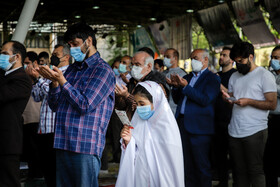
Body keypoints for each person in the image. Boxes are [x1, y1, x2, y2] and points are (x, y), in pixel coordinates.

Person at [37, 22, 115, 187]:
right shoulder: (72, 69)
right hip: (63, 141)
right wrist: (54, 83)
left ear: (88, 41)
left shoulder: (102, 70)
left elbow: (85, 105)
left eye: (75, 44)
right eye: (70, 45)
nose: (72, 48)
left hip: (84, 145)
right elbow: (55, 105)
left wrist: (62, 81)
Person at [222, 42, 277, 187]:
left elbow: (272, 104)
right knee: (239, 172)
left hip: (255, 130)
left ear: (251, 57)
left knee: (255, 170)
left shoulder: (264, 75)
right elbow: (234, 96)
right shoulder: (234, 76)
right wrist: (228, 99)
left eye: (241, 61)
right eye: (235, 62)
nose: (238, 65)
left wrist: (249, 102)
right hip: (234, 130)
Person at [116, 81, 184, 187]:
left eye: (142, 104)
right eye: (137, 104)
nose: (139, 108)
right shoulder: (137, 120)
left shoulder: (167, 126)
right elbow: (134, 149)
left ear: (155, 101)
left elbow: (170, 162)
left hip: (160, 178)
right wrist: (128, 141)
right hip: (141, 175)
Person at [171, 48, 221, 187]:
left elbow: (205, 99)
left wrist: (186, 88)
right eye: (191, 58)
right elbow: (177, 100)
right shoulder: (187, 77)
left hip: (200, 128)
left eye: (196, 58)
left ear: (205, 60)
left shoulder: (212, 78)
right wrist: (176, 87)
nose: (193, 61)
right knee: (186, 164)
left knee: (201, 165)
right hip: (182, 124)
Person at [31, 44, 71, 187]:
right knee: (47, 170)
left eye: (56, 55)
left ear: (66, 57)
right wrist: (35, 80)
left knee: (56, 171)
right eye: (52, 54)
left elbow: (54, 95)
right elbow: (37, 97)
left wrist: (40, 80)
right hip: (43, 128)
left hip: (56, 129)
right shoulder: (50, 73)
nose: (52, 57)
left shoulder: (68, 74)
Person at [0, 40, 32, 187]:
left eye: (5, 54)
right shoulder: (4, 76)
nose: (1, 57)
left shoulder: (22, 79)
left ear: (17, 57)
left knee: (9, 182)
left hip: (8, 141)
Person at [115, 51, 169, 120]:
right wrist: (119, 96)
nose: (133, 68)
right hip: (131, 125)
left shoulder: (155, 84)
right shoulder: (133, 81)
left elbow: (147, 109)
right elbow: (122, 106)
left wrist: (127, 96)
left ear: (149, 66)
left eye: (137, 65)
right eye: (132, 64)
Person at [212, 47, 236, 187]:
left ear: (232, 59)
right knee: (219, 154)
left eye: (224, 55)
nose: (221, 57)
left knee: (233, 155)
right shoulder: (217, 74)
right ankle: (222, 181)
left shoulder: (235, 75)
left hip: (230, 119)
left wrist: (218, 83)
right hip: (216, 119)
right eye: (221, 55)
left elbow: (232, 95)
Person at [22, 51, 43, 181]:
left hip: (37, 119)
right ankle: (32, 174)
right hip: (24, 119)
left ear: (35, 63)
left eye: (27, 63)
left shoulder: (41, 77)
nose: (25, 66)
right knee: (29, 151)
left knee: (37, 151)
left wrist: (35, 79)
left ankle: (38, 175)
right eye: (24, 64)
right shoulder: (22, 77)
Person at [263, 45, 280, 187]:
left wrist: (270, 86)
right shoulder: (270, 74)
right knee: (269, 161)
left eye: (277, 58)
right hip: (269, 120)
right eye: (273, 57)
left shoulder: (269, 77)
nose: (274, 60)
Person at [163, 48, 187, 114]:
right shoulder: (163, 73)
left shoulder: (182, 74)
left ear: (175, 58)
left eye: (168, 57)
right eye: (164, 57)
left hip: (174, 110)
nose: (165, 59)